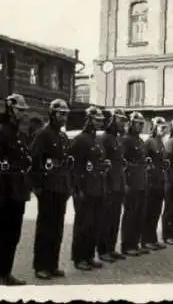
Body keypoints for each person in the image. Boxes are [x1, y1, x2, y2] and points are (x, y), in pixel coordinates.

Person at [0, 94, 31, 286]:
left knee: (13, 234)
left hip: (17, 191)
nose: (22, 114)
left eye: (23, 111)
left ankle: (5, 272)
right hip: (3, 192)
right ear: (10, 109)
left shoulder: (19, 134)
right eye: (20, 110)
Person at [30, 99, 73, 280]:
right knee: (45, 227)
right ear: (52, 114)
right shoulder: (43, 134)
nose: (64, 117)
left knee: (57, 228)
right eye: (60, 114)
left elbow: (67, 163)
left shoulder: (62, 137)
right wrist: (37, 186)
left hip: (61, 186)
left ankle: (52, 264)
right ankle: (41, 265)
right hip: (48, 186)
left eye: (65, 114)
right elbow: (35, 160)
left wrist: (68, 185)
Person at [69, 106, 108, 271]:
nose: (99, 123)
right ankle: (79, 258)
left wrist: (104, 165)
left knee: (95, 224)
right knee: (83, 224)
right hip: (84, 189)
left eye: (101, 120)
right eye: (96, 120)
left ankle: (89, 255)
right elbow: (74, 166)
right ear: (89, 120)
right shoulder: (80, 139)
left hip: (97, 187)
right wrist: (78, 189)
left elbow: (97, 162)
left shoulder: (96, 140)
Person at [98, 109, 128, 263]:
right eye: (120, 120)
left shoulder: (117, 139)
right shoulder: (105, 138)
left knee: (115, 218)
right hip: (108, 185)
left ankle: (111, 248)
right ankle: (103, 250)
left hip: (118, 184)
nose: (123, 123)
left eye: (123, 120)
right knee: (106, 219)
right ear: (112, 120)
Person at [120, 112, 150, 256]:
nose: (140, 126)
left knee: (140, 213)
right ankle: (127, 245)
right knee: (130, 214)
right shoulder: (126, 140)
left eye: (141, 124)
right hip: (131, 181)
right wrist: (126, 182)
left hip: (141, 181)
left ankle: (135, 243)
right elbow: (123, 163)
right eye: (137, 123)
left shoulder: (140, 141)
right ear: (131, 124)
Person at [141, 117, 169, 250]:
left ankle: (152, 238)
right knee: (149, 212)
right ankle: (146, 240)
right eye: (161, 128)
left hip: (160, 181)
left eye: (165, 128)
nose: (163, 130)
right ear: (154, 128)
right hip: (151, 182)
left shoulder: (161, 143)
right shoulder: (149, 142)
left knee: (156, 212)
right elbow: (145, 162)